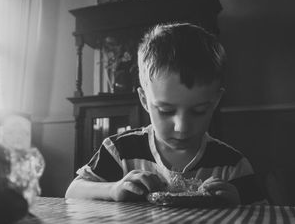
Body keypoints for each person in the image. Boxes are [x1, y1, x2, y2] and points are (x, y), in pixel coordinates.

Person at [65, 22, 266, 205]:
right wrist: (114, 188)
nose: (182, 127)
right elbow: (73, 191)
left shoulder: (232, 164)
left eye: (198, 111)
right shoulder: (121, 151)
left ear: (215, 102)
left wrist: (237, 201)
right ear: (144, 100)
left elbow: (264, 216)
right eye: (166, 111)